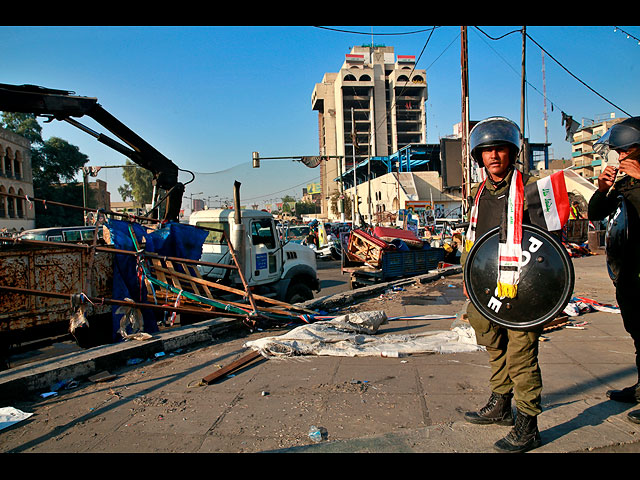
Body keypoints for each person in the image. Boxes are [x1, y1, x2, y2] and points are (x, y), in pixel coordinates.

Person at [460, 116, 544, 453]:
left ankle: (528, 427)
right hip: (485, 288)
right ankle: (501, 405)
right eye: (487, 151)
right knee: (494, 345)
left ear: (511, 152)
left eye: (500, 149)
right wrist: (467, 277)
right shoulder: (479, 194)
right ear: (479, 157)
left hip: (522, 289)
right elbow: (474, 241)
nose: (493, 156)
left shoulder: (533, 190)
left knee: (522, 355)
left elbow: (548, 250)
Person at [587, 117, 640, 425]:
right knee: (637, 332)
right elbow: (596, 213)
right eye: (618, 152)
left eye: (626, 152)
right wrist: (603, 188)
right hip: (627, 271)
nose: (620, 158)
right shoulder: (625, 183)